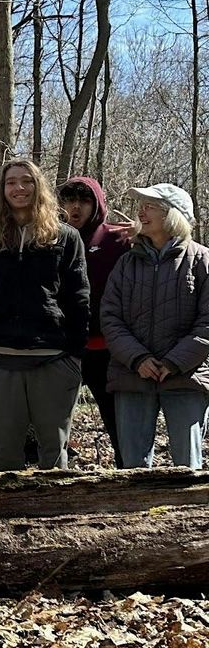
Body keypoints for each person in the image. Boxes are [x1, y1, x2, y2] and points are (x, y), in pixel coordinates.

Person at [0, 159, 90, 472]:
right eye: (11, 182)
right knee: (4, 455)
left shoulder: (66, 237)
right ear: (2, 190)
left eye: (27, 181)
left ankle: (54, 519)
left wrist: (74, 354)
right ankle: (5, 520)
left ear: (39, 187)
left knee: (53, 453)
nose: (19, 188)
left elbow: (79, 298)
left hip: (53, 358)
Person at [101, 184, 209, 470]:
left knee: (188, 466)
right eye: (142, 205)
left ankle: (189, 516)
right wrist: (138, 358)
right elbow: (110, 318)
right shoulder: (126, 264)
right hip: (132, 376)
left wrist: (174, 362)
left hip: (187, 378)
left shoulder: (202, 261)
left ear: (173, 215)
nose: (141, 212)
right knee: (132, 468)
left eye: (150, 206)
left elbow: (207, 323)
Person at [57, 176, 132, 466]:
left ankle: (128, 476)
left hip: (110, 350)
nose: (75, 207)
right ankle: (54, 481)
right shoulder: (53, 238)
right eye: (69, 200)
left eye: (84, 201)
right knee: (54, 424)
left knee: (117, 422)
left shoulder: (120, 239)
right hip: (65, 349)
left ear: (97, 204)